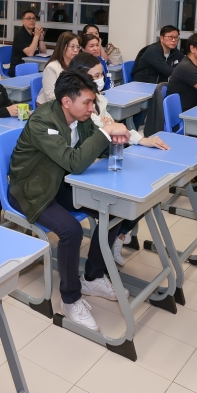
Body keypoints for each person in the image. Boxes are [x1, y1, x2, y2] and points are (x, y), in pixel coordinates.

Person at [8, 71, 133, 331]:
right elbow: (74, 162)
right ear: (66, 101)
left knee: (114, 210)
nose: (92, 108)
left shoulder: (81, 118)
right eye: (87, 102)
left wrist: (117, 138)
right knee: (71, 231)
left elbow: (95, 146)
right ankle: (70, 299)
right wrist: (105, 133)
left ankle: (93, 276)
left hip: (59, 183)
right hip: (30, 189)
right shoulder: (42, 121)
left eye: (93, 102)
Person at [66, 53, 170, 263]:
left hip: (96, 161)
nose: (100, 79)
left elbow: (116, 128)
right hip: (80, 168)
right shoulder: (76, 106)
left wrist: (142, 140)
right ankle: (101, 260)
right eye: (95, 75)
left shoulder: (100, 100)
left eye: (101, 75)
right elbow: (105, 131)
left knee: (143, 193)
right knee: (122, 202)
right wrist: (108, 127)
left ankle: (119, 235)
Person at [37, 32, 80, 105]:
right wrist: (72, 103)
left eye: (78, 47)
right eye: (72, 46)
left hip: (70, 103)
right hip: (51, 105)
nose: (76, 50)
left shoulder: (77, 65)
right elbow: (50, 96)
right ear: (62, 47)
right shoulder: (52, 67)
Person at [9, 9, 46, 77]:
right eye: (29, 18)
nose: (32, 20)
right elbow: (30, 53)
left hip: (33, 65)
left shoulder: (34, 32)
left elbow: (43, 52)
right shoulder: (19, 35)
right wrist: (36, 36)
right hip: (19, 68)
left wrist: (41, 39)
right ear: (23, 21)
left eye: (33, 18)